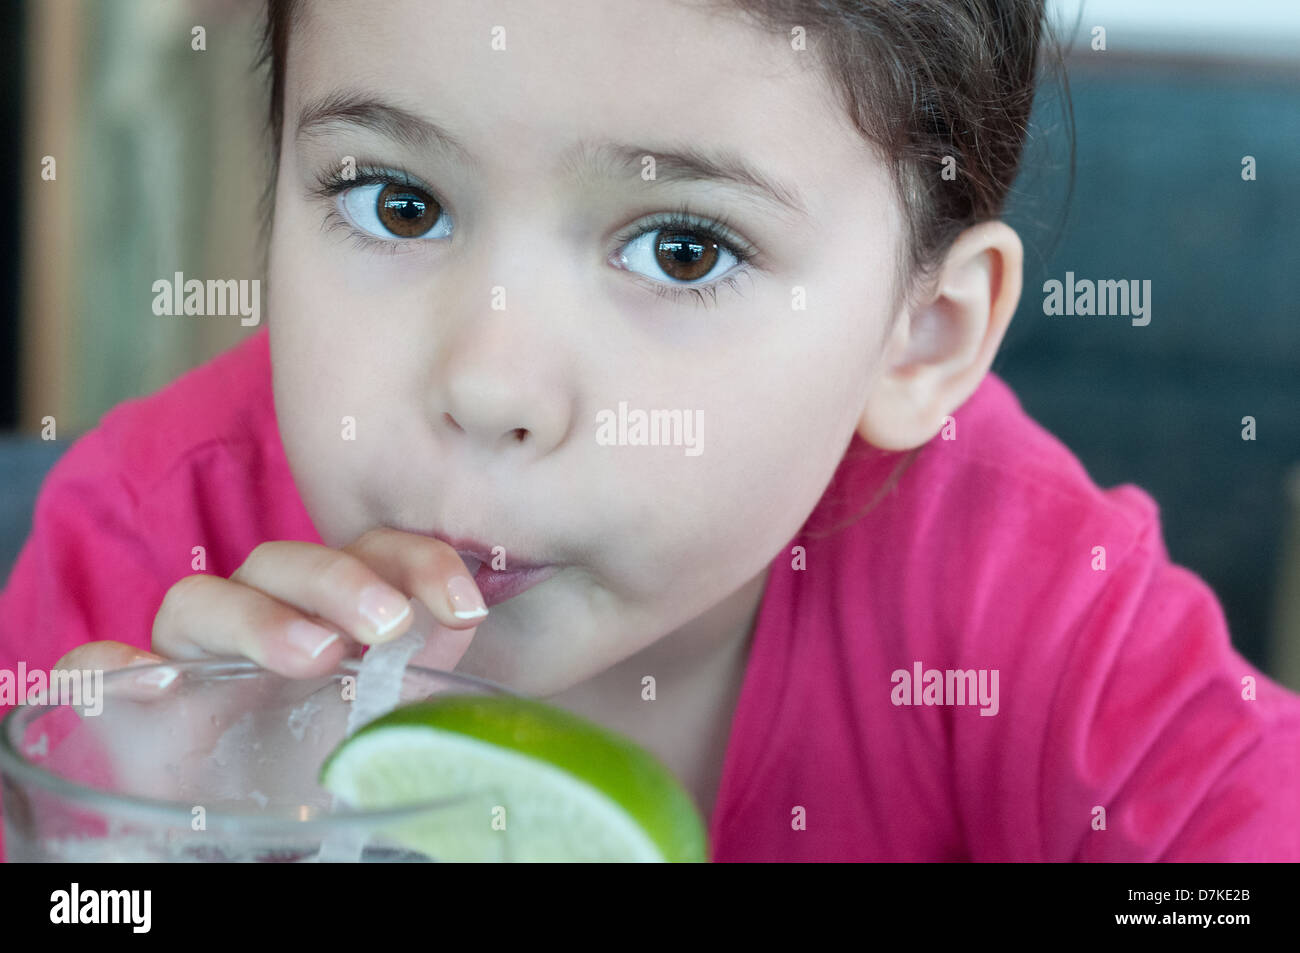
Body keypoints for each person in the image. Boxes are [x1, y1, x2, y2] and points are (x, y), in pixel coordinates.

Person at [2, 0, 1297, 862]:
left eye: (683, 247)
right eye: (397, 202)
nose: (491, 382)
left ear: (926, 337)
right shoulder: (149, 554)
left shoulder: (1028, 599)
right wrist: (118, 840)